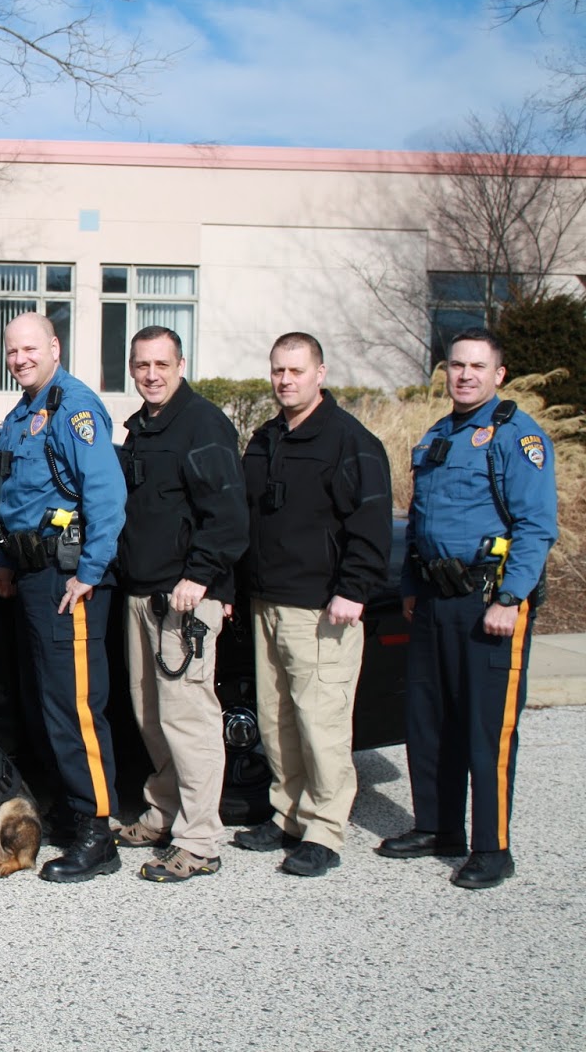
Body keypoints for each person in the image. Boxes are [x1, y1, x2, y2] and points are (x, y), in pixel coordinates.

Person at [379, 328, 557, 890]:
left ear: (498, 374)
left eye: (478, 366)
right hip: (433, 599)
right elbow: (422, 518)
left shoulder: (516, 436)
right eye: (457, 365)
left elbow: (535, 526)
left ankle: (492, 846)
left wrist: (511, 597)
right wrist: (410, 582)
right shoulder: (440, 433)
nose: (465, 375)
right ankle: (437, 827)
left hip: (488, 603)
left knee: (486, 730)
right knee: (428, 722)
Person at [237, 333, 392, 877]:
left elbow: (370, 525)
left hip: (323, 609)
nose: (285, 380)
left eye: (296, 371)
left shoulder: (351, 442)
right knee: (277, 720)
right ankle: (287, 815)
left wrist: (354, 589)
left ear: (320, 373)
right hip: (267, 602)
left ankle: (324, 829)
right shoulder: (267, 436)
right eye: (278, 370)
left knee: (321, 722)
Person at [0, 313, 127, 883]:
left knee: (75, 710)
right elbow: (18, 501)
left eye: (30, 348)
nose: (20, 358)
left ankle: (99, 831)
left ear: (54, 347)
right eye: (12, 350)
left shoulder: (75, 407)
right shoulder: (21, 413)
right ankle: (73, 816)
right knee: (45, 707)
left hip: (69, 580)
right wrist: (6, 565)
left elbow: (106, 496)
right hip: (33, 575)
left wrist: (88, 571)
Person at [115, 325, 247, 883]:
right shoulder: (142, 428)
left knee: (189, 719)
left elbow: (230, 515)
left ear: (181, 364)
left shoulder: (202, 424)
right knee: (152, 715)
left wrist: (200, 577)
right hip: (142, 594)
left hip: (184, 600)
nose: (151, 375)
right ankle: (165, 811)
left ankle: (199, 840)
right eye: (142, 365)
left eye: (161, 365)